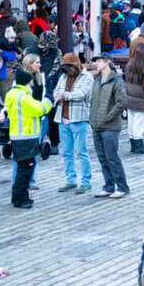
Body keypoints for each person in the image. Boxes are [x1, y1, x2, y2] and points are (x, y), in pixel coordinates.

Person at [5, 70, 51, 209]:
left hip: (17, 135)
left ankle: (19, 196)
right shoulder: (23, 97)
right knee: (26, 169)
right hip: (26, 136)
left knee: (22, 168)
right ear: (28, 82)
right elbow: (39, 110)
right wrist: (48, 100)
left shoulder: (12, 94)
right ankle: (21, 198)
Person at [52, 53, 93, 194]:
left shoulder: (87, 77)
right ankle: (71, 180)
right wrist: (60, 95)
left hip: (79, 120)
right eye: (64, 67)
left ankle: (86, 181)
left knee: (82, 152)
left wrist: (64, 95)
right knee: (67, 152)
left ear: (76, 65)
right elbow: (56, 92)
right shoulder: (63, 77)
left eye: (69, 67)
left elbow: (81, 94)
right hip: (62, 120)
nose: (67, 70)